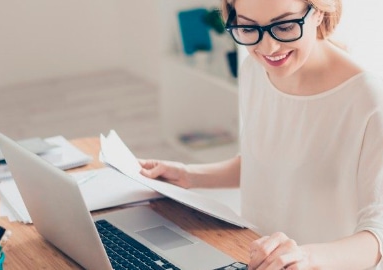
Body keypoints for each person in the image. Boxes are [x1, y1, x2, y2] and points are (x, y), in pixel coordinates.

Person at [139, 0, 383, 269]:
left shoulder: (370, 101)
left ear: (319, 12)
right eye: (248, 28)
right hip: (248, 257)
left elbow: (377, 236)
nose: (268, 47)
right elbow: (263, 164)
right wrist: (188, 175)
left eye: (287, 26)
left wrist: (305, 257)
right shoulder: (256, 69)